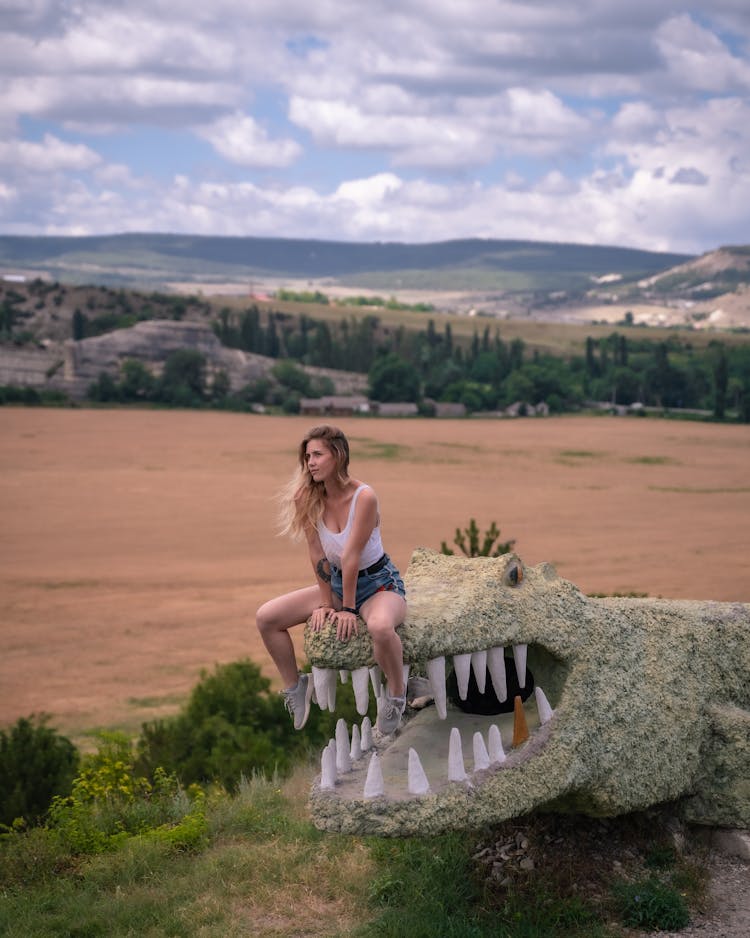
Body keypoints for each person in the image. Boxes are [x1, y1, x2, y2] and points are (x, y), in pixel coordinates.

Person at [256, 424, 408, 735]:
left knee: (379, 627)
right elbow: (317, 555)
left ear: (337, 456)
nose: (310, 462)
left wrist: (348, 610)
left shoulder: (364, 497)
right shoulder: (307, 498)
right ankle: (296, 687)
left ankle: (397, 695)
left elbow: (352, 555)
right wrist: (327, 603)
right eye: (307, 456)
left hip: (379, 583)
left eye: (317, 455)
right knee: (267, 618)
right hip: (337, 583)